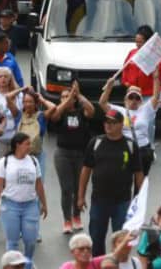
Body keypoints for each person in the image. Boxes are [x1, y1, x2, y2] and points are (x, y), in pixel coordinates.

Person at [79, 107, 146, 255]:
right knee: (96, 239)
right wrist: (80, 196)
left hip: (122, 202)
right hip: (99, 201)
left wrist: (139, 201)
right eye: (106, 122)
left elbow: (138, 174)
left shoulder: (130, 145)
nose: (108, 125)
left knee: (121, 241)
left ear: (122, 125)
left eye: (113, 122)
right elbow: (85, 170)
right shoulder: (95, 143)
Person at [48, 81, 97, 234]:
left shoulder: (81, 111)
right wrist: (67, 101)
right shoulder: (59, 112)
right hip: (63, 154)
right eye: (62, 97)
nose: (65, 99)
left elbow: (92, 111)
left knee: (78, 188)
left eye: (68, 96)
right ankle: (67, 219)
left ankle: (76, 216)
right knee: (66, 188)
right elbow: (54, 116)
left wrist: (79, 95)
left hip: (81, 154)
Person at [0, 132, 47, 266]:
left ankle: (27, 264)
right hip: (10, 205)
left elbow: (39, 184)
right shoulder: (4, 162)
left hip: (30, 205)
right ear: (17, 145)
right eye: (27, 144)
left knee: (30, 240)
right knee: (12, 241)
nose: (30, 146)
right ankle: (12, 266)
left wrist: (44, 204)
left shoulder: (33, 161)